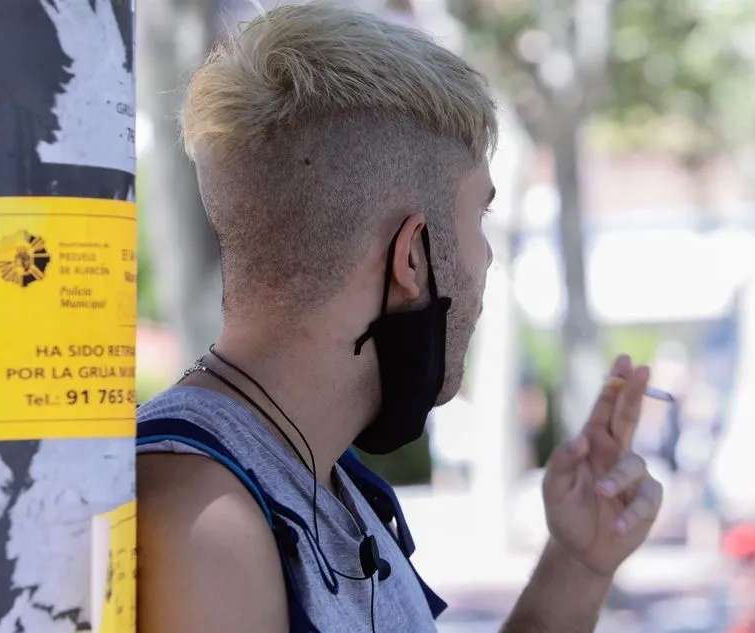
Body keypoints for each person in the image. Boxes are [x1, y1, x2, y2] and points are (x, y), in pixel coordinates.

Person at [136, 4, 663, 632]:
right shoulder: (203, 518)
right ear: (412, 258)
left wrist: (578, 561)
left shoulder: (317, 470)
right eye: (479, 219)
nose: (487, 257)